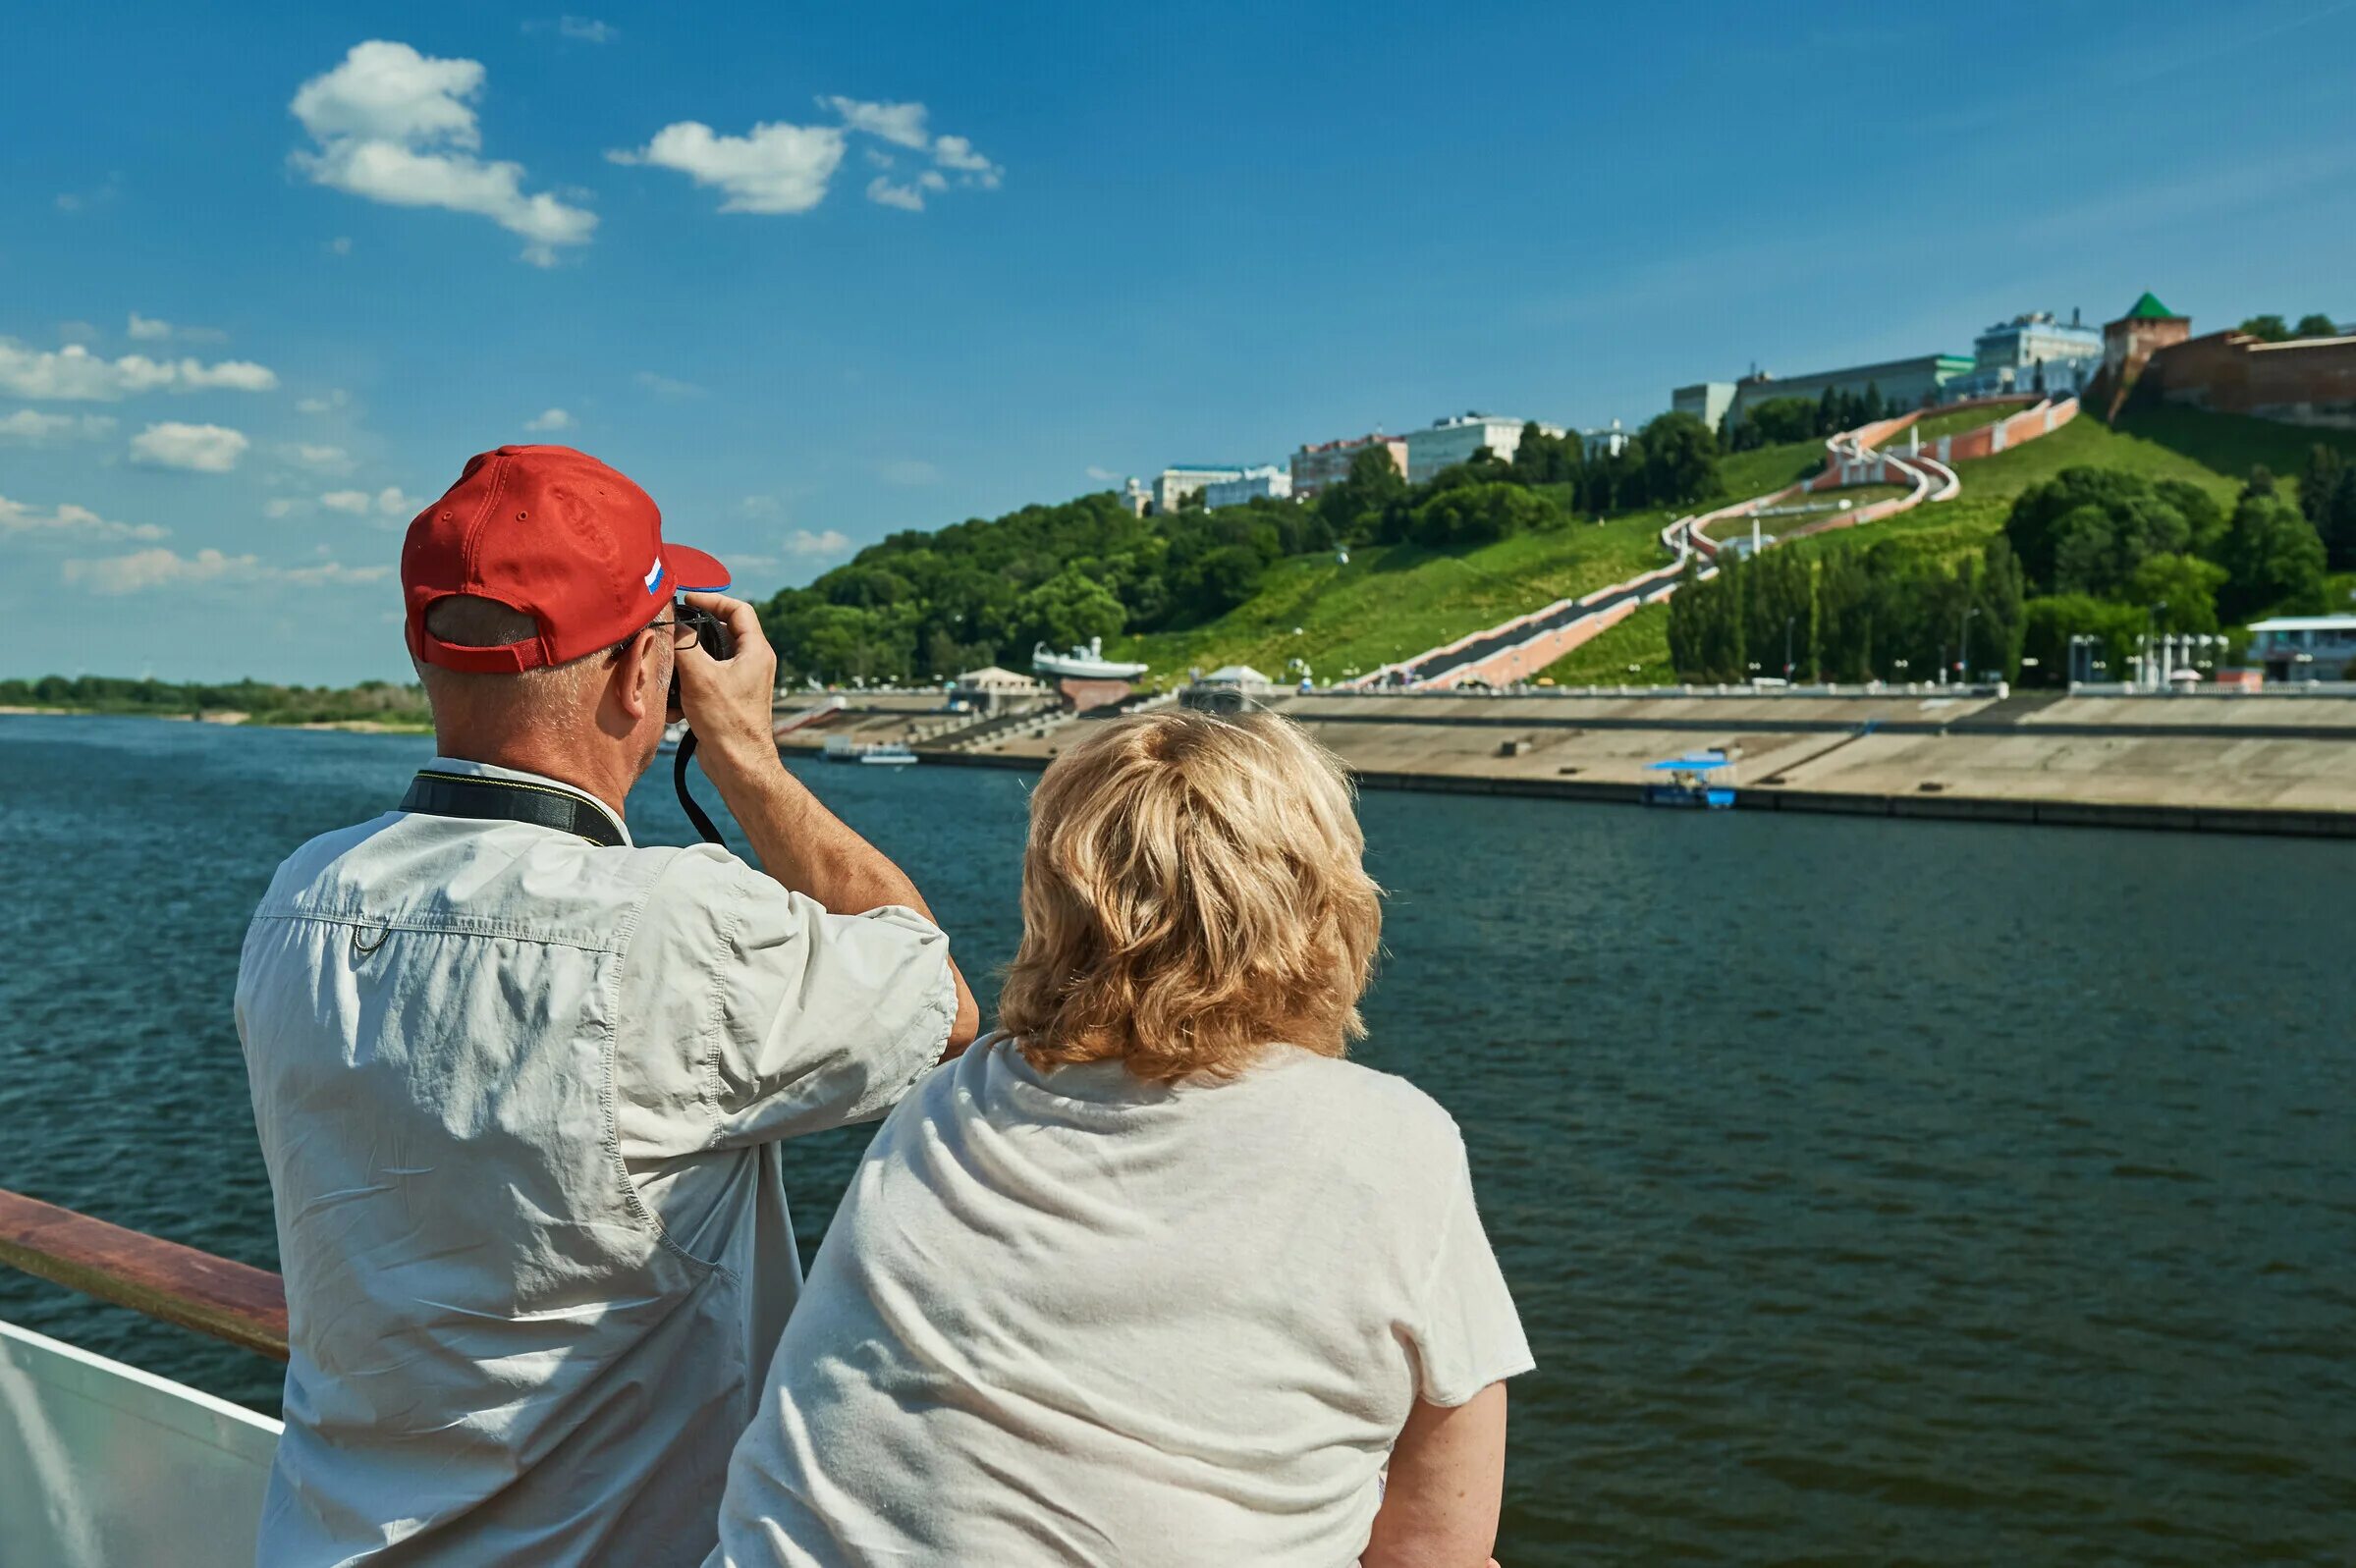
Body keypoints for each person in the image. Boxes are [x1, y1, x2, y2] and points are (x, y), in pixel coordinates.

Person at [236, 444, 979, 1567]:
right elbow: (939, 995)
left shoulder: (301, 895)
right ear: (643, 675)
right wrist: (745, 756)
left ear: (422, 653)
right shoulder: (672, 923)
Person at [709, 710, 1532, 1568]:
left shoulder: (954, 1103)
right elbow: (1433, 1548)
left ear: (1054, 901)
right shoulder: (1393, 1144)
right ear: (1320, 901)